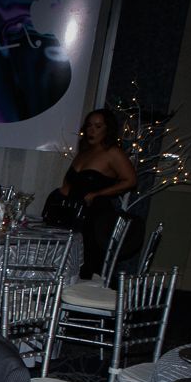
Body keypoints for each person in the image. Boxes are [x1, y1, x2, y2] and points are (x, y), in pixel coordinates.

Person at [54, 108, 138, 278]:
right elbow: (68, 183)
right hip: (72, 213)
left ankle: (83, 296)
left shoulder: (113, 152)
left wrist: (98, 194)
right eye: (90, 125)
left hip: (94, 215)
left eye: (98, 126)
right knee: (64, 260)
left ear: (107, 129)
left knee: (87, 261)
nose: (92, 130)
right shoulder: (84, 152)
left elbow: (130, 180)